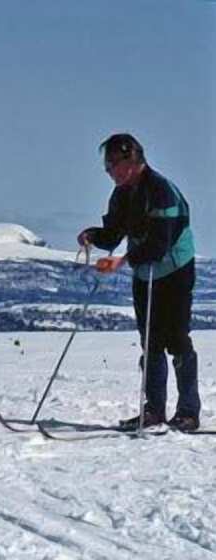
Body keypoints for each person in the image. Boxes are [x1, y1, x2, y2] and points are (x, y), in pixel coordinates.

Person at [78, 133, 199, 431]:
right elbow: (113, 234)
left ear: (129, 161)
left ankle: (188, 412)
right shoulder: (122, 194)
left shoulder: (161, 191)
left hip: (175, 270)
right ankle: (154, 410)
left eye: (110, 166)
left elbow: (159, 244)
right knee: (150, 342)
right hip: (145, 274)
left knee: (177, 338)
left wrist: (121, 261)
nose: (108, 173)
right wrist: (93, 236)